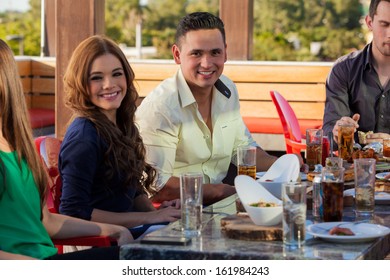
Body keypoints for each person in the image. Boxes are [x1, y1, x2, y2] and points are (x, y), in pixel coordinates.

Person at [0, 39, 132, 260]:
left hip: (48, 260)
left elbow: (46, 222)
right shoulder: (84, 136)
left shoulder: (20, 148)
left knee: (149, 258)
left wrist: (111, 229)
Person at [135, 12, 285, 206]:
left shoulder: (228, 89)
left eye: (215, 52)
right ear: (177, 55)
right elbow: (158, 188)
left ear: (225, 52)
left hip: (216, 207)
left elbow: (243, 150)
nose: (207, 63)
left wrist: (283, 165)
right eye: (196, 53)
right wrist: (223, 191)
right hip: (171, 214)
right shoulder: (161, 107)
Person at [58, 35, 181, 239]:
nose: (109, 84)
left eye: (117, 74)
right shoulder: (84, 136)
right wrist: (149, 219)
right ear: (81, 83)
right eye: (97, 77)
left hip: (130, 233)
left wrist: (160, 214)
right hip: (99, 243)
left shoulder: (120, 124)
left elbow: (131, 190)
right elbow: (73, 212)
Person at [322, 0, 390, 145]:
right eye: (384, 24)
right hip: (355, 166)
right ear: (370, 22)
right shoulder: (343, 69)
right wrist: (337, 133)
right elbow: (328, 132)